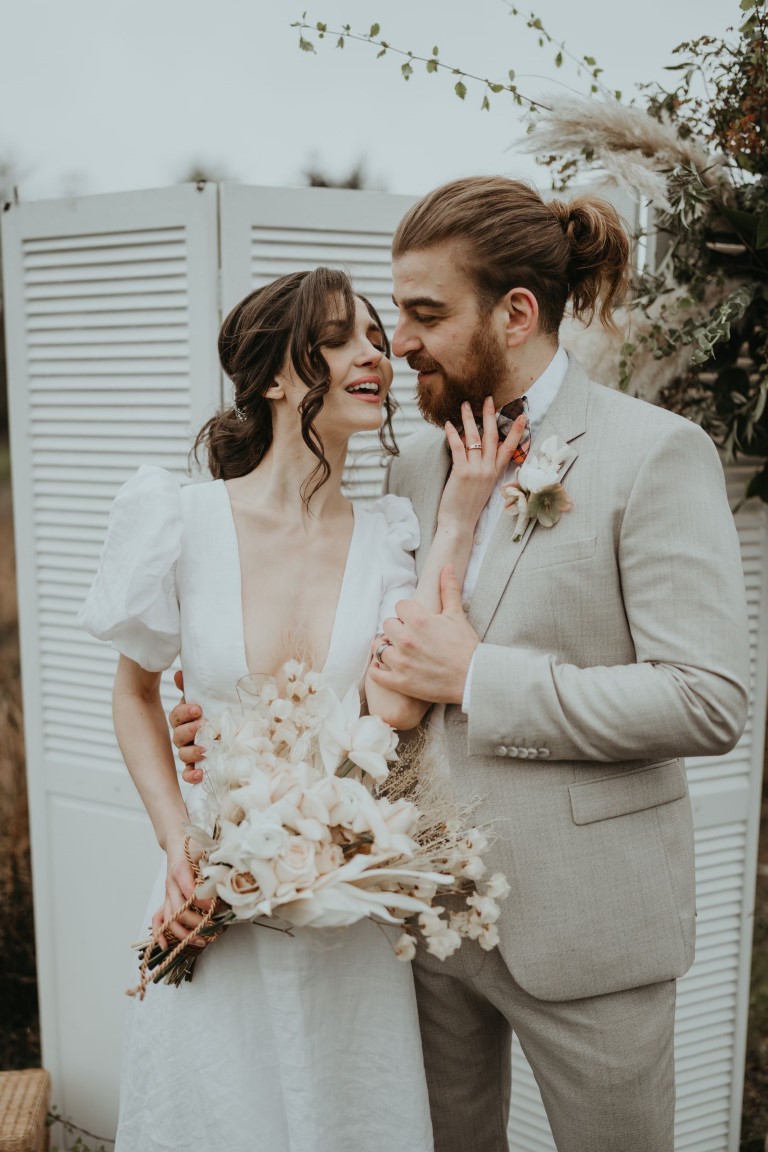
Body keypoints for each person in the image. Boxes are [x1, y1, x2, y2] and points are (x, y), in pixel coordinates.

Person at [169, 176, 752, 1152]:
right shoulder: (416, 469)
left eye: (423, 313)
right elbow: (369, 656)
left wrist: (480, 677)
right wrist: (234, 728)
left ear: (516, 313)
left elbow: (708, 698)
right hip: (427, 929)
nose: (397, 342)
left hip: (591, 938)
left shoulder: (655, 456)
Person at [79, 265, 526, 1152]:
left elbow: (395, 707)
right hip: (205, 899)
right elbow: (133, 693)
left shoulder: (391, 534)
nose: (376, 354)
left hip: (344, 918)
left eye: (375, 335)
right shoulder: (181, 519)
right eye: (341, 339)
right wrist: (179, 842)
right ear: (278, 377)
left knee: (344, 1119)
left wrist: (460, 516)